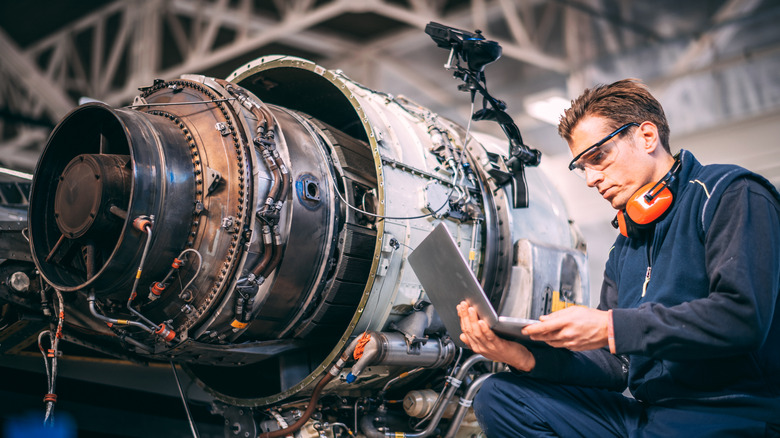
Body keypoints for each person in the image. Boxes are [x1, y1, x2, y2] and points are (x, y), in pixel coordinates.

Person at [457, 78, 780, 437]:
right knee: (499, 396)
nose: (592, 178)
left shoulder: (731, 194)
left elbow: (741, 317)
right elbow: (616, 366)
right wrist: (522, 357)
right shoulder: (626, 243)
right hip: (651, 416)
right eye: (583, 167)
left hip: (732, 413)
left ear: (646, 136)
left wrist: (609, 326)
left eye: (598, 157)